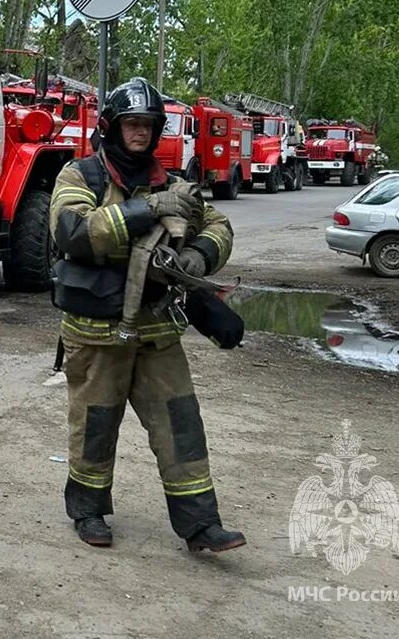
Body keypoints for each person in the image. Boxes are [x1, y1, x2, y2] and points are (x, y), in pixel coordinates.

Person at [49, 77, 245, 552]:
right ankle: (89, 510)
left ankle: (200, 524)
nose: (140, 133)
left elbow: (220, 225)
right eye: (132, 124)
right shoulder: (81, 177)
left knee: (181, 423)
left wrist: (199, 254)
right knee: (96, 423)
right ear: (113, 128)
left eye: (148, 125)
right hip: (97, 331)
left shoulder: (176, 184)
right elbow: (72, 232)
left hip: (158, 330)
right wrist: (147, 209)